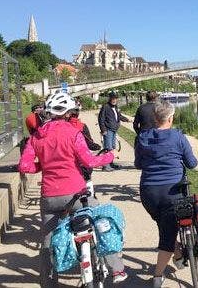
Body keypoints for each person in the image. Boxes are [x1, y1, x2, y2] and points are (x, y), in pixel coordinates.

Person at [18, 92, 127, 287]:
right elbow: (89, 161)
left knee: (48, 242)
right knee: (102, 220)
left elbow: (24, 166)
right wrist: (109, 157)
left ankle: (48, 283)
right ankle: (116, 267)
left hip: (50, 196)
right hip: (77, 195)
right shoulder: (73, 133)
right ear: (68, 112)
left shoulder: (36, 136)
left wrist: (43, 165)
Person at [134, 100, 198, 288]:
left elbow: (138, 164)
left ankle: (178, 254)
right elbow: (192, 164)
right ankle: (157, 276)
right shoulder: (178, 137)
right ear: (170, 118)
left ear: (155, 118)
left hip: (149, 194)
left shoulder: (142, 138)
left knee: (166, 227)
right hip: (173, 193)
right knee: (167, 237)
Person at [69, 107, 101, 193]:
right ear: (77, 114)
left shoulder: (64, 125)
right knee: (87, 177)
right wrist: (97, 147)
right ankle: (90, 196)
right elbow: (89, 143)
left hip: (68, 158)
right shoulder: (82, 126)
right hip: (81, 157)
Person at [98, 91, 129, 171]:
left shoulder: (115, 107)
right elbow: (101, 119)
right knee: (108, 147)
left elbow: (119, 116)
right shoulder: (105, 107)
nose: (114, 100)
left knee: (112, 147)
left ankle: (111, 163)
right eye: (113, 99)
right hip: (108, 130)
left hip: (114, 130)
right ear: (110, 99)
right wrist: (103, 130)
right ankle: (105, 165)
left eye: (115, 99)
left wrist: (127, 120)